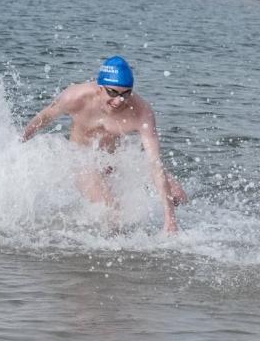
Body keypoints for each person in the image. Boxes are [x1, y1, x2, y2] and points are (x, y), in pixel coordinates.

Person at [21, 56, 186, 234]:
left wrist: (171, 219)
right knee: (111, 212)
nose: (119, 101)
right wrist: (18, 143)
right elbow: (43, 119)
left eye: (126, 93)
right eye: (113, 93)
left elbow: (155, 163)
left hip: (116, 159)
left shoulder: (142, 112)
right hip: (83, 159)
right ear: (99, 88)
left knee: (178, 196)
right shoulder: (75, 97)